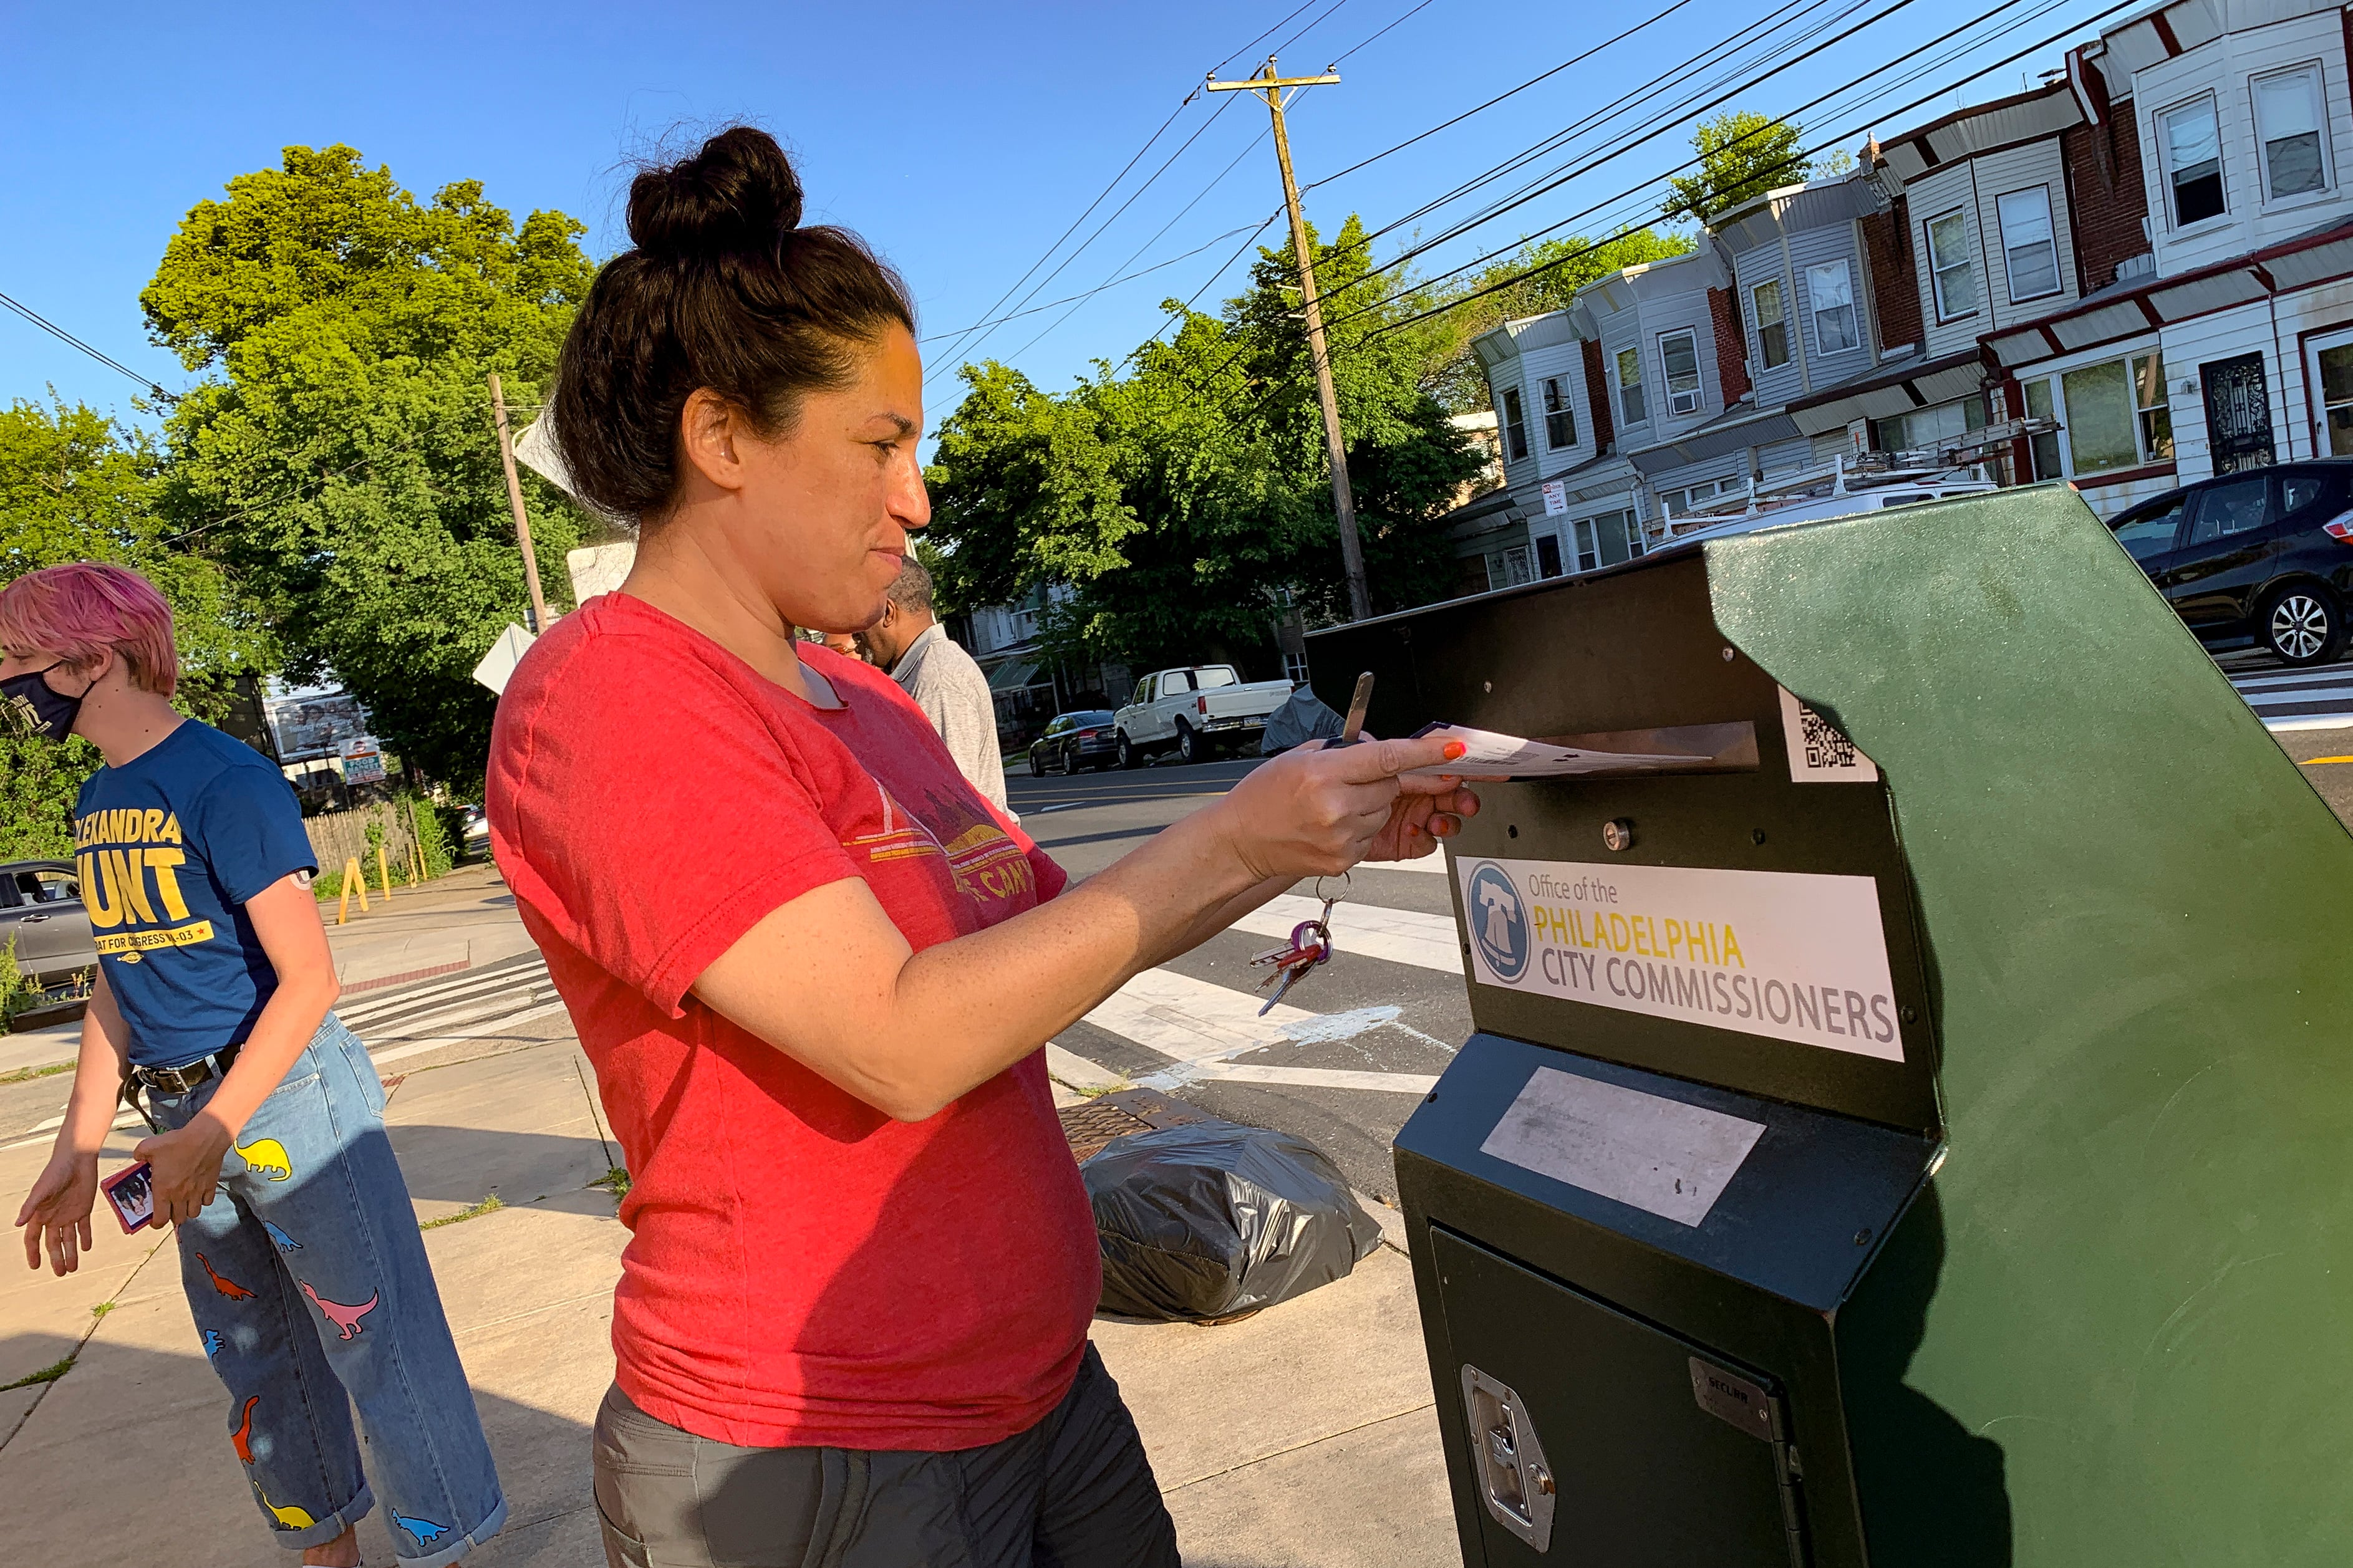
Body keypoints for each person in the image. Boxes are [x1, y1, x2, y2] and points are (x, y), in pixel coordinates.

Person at [486, 125, 1477, 1567]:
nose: (917, 497)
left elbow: (1051, 944)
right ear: (720, 440)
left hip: (1034, 1394)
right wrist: (1225, 835)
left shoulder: (867, 700)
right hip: (816, 1451)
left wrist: (1304, 837)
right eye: (880, 445)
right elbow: (896, 1040)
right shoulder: (614, 698)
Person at [6, 563, 505, 1568]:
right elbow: (122, 976)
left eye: (20, 661)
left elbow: (309, 977)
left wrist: (215, 1128)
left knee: (378, 1342)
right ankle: (327, 1548)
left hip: (286, 1103)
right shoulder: (101, 798)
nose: (9, 684)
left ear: (93, 657)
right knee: (256, 1355)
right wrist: (80, 1140)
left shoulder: (224, 778)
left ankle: (442, 1547)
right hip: (186, 1119)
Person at [859, 555, 1007, 811]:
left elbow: (952, 803)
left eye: (865, 618)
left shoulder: (937, 679)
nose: (861, 634)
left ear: (888, 613)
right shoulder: (921, 671)